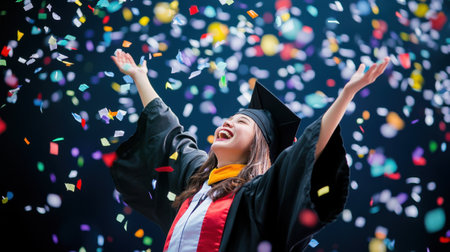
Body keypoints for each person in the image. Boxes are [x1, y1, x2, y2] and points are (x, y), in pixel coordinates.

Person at [109, 49, 390, 251]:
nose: (228, 122)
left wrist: (346, 95)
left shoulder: (258, 194)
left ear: (260, 144)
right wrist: (139, 77)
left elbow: (306, 151)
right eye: (229, 118)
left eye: (242, 121)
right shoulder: (196, 181)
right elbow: (168, 132)